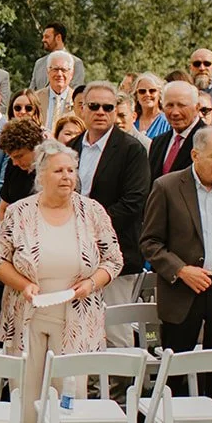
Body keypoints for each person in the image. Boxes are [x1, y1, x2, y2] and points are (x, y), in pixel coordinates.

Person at [0, 139, 122, 423]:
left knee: (70, 388)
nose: (67, 177)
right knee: (27, 386)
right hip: (29, 313)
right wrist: (24, 285)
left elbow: (114, 260)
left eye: (72, 170)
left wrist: (91, 283)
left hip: (76, 313)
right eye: (59, 170)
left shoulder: (92, 212)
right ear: (42, 174)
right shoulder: (20, 212)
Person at [140, 127, 212, 401]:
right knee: (175, 369)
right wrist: (181, 270)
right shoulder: (166, 187)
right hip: (183, 290)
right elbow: (150, 242)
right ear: (195, 154)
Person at [68, 81, 150, 348]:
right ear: (82, 109)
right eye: (94, 106)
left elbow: (134, 202)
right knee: (78, 328)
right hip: (73, 254)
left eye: (108, 107)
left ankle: (120, 390)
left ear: (116, 111)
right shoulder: (70, 148)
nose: (101, 112)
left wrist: (87, 225)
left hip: (117, 254)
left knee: (115, 332)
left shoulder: (131, 149)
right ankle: (86, 389)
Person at [149, 80, 203, 180]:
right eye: (169, 105)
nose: (175, 112)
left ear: (197, 108)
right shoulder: (158, 142)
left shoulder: (209, 140)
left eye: (181, 105)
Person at [0, 117, 46, 213]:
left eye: (19, 156)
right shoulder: (13, 166)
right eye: (12, 157)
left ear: (36, 147)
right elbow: (3, 208)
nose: (15, 163)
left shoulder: (56, 168)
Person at [30, 51, 77, 135]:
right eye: (55, 69)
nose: (59, 74)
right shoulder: (34, 98)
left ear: (71, 74)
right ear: (48, 72)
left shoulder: (78, 100)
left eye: (63, 70)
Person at [30, 22, 85, 91]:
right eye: (43, 37)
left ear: (58, 37)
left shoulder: (76, 63)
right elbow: (31, 93)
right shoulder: (39, 63)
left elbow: (75, 93)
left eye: (47, 37)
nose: (43, 40)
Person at [132, 72, 171, 142]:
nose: (147, 94)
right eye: (142, 91)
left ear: (160, 94)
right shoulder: (131, 121)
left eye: (152, 91)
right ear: (136, 96)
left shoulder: (167, 122)